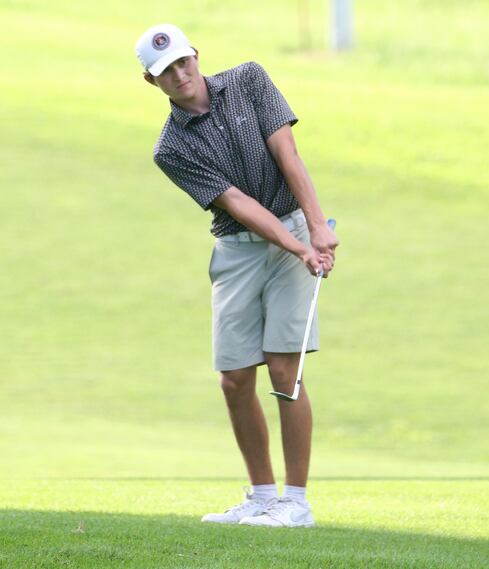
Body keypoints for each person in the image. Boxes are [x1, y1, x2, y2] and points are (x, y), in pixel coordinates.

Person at [135, 23, 338, 528]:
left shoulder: (249, 79)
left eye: (183, 62)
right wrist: (299, 247)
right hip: (238, 250)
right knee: (233, 379)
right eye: (166, 71)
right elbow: (237, 204)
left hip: (294, 224)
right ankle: (262, 496)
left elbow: (288, 153)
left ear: (195, 56)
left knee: (284, 370)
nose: (180, 74)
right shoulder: (170, 149)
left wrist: (315, 228)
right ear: (151, 81)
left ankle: (296, 502)